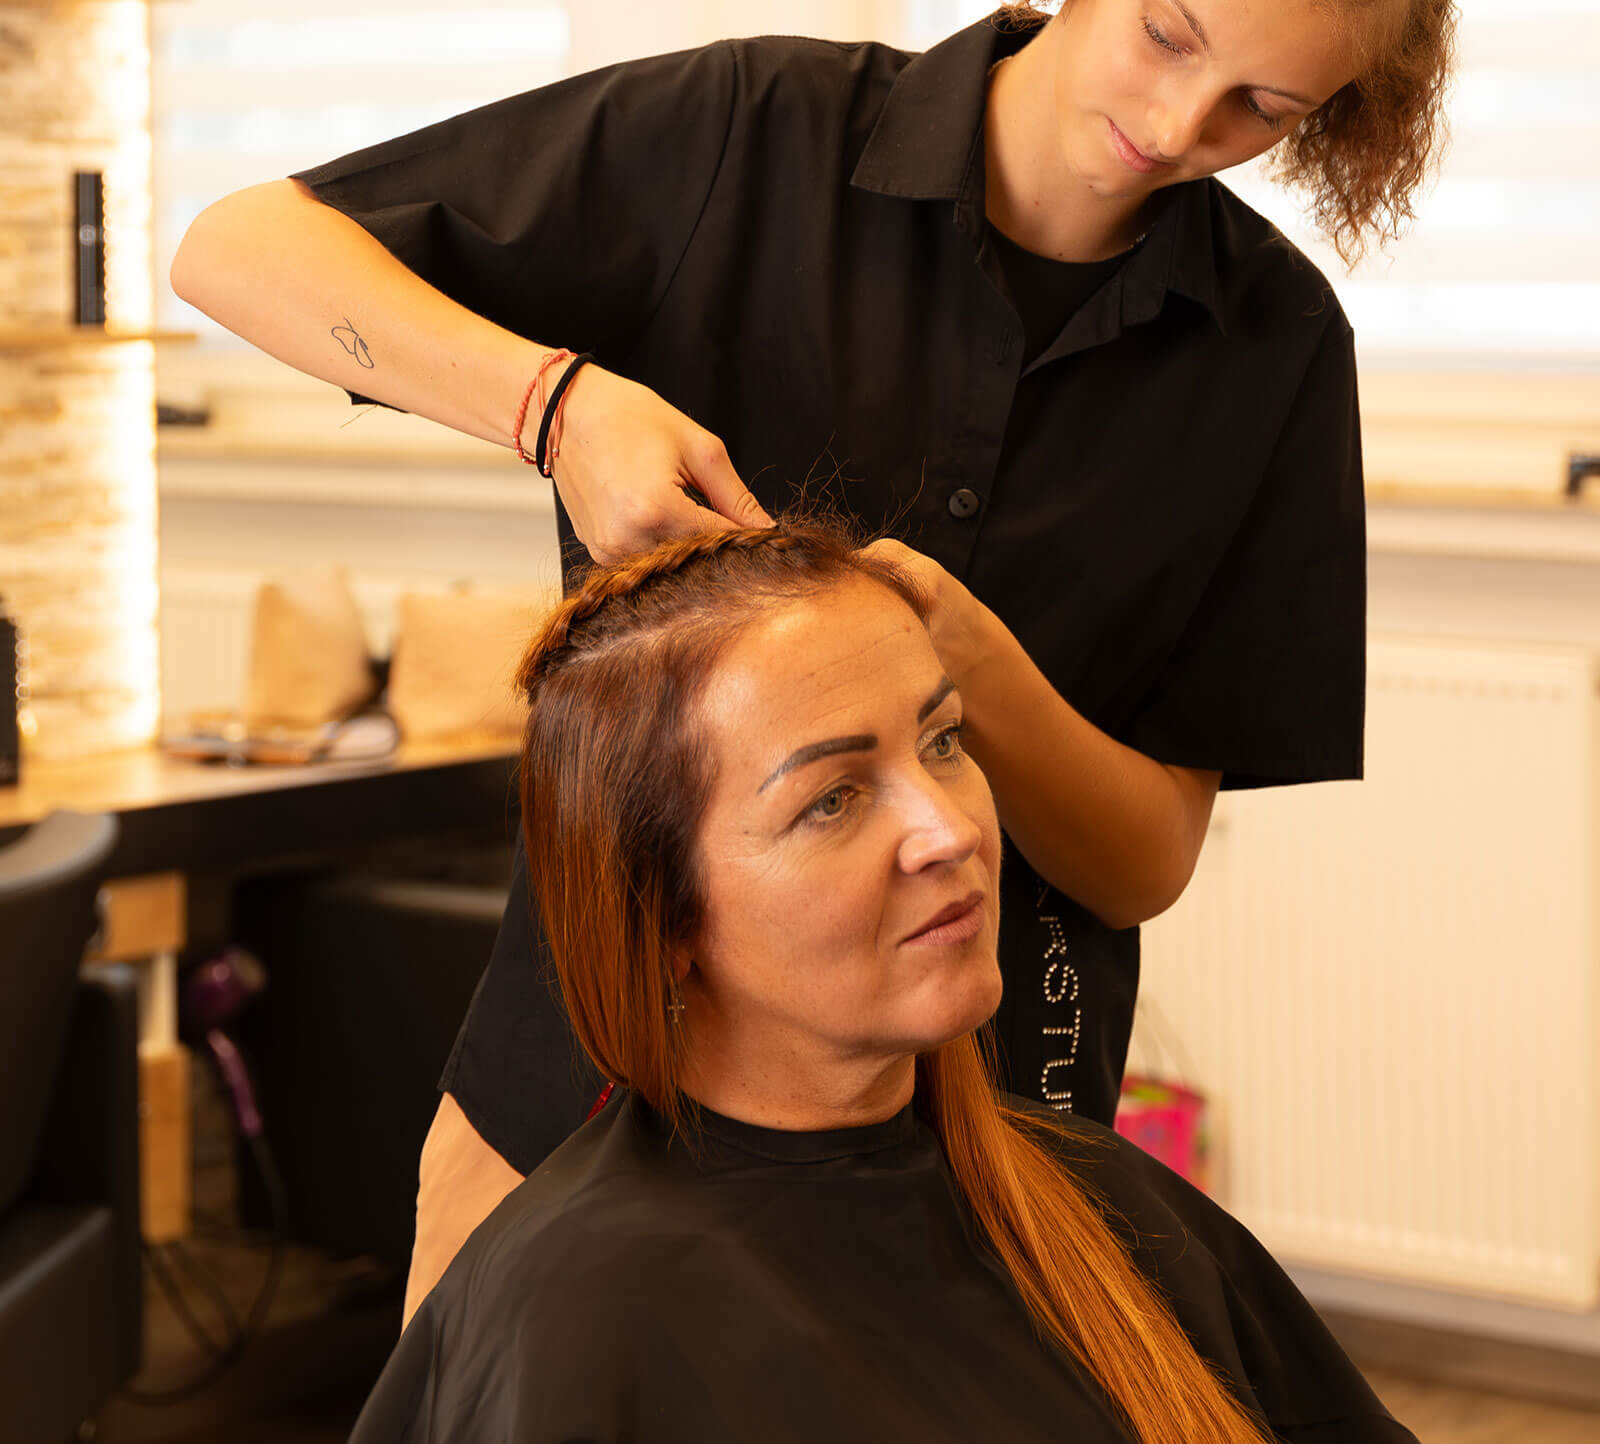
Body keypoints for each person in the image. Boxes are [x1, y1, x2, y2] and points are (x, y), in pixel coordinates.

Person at [169, 0, 1506, 1312]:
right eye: (1164, 34)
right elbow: (240, 250)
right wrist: (556, 405)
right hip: (586, 1073)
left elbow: (1144, 859)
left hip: (988, 1127)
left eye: (1261, 111)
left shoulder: (1269, 353)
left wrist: (968, 665)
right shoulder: (743, 140)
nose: (1177, 124)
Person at [350, 520, 1416, 1444]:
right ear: (665, 915)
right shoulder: (578, 1314)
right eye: (833, 800)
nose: (951, 830)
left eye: (944, 741)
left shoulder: (1094, 1207)